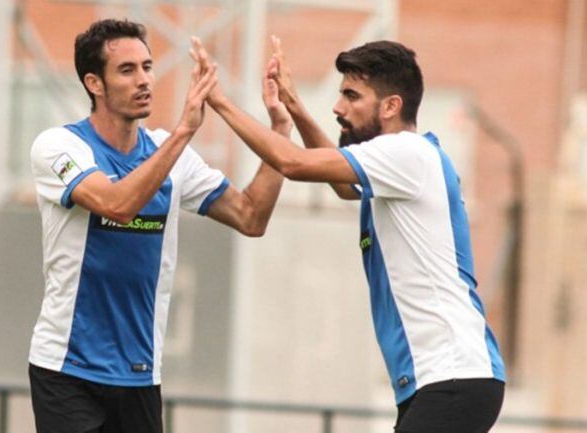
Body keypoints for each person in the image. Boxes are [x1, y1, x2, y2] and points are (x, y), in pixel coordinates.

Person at [193, 37, 506, 433]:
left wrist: (218, 101)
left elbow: (293, 163)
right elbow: (344, 186)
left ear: (391, 106)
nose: (338, 108)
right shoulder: (397, 165)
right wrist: (293, 105)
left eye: (351, 96)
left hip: (453, 375)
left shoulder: (406, 153)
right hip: (444, 380)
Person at [28, 19, 291, 433]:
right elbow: (117, 205)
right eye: (127, 70)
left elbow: (251, 216)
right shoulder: (59, 147)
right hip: (66, 369)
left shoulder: (171, 154)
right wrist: (185, 130)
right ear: (94, 83)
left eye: (147, 67)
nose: (144, 80)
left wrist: (280, 132)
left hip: (140, 375)